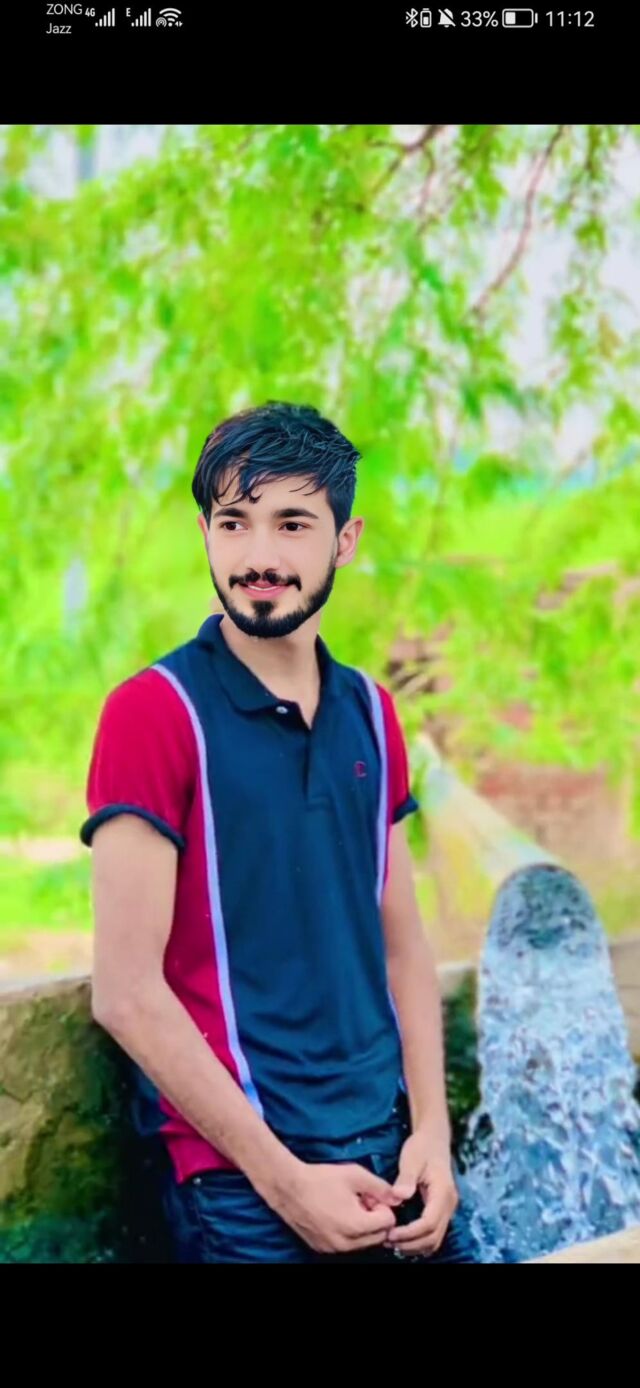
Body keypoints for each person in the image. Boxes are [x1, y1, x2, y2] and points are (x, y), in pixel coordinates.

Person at [81, 400, 474, 1263]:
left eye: (292, 524)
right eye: (234, 523)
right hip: (242, 1184)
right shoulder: (154, 714)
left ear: (345, 540)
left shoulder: (373, 712)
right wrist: (286, 1182)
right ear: (206, 533)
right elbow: (126, 991)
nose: (259, 555)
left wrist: (434, 1138)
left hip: (394, 1155)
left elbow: (403, 948)